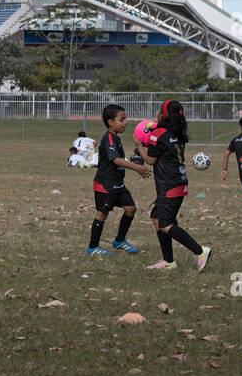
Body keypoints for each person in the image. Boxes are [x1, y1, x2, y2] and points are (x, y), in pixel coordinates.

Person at [142, 100, 212, 271]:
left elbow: (150, 160)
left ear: (163, 115)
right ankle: (168, 261)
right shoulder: (178, 133)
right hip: (178, 182)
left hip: (169, 184)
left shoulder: (158, 133)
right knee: (157, 217)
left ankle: (200, 250)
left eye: (159, 111)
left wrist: (139, 146)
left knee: (165, 224)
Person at [87, 104, 149, 255]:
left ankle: (119, 240)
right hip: (105, 184)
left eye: (125, 119)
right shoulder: (108, 138)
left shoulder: (116, 139)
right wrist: (138, 168)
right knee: (102, 214)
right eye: (122, 119)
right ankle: (93, 247)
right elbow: (116, 160)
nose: (125, 122)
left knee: (130, 209)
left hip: (118, 184)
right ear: (110, 122)